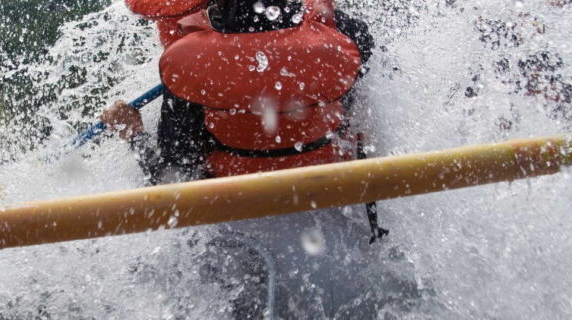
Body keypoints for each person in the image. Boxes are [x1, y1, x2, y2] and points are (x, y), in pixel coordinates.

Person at [101, 0, 420, 318]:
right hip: (349, 238)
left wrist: (134, 136)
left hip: (242, 261)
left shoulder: (190, 69)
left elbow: (172, 191)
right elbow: (372, 103)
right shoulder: (346, 32)